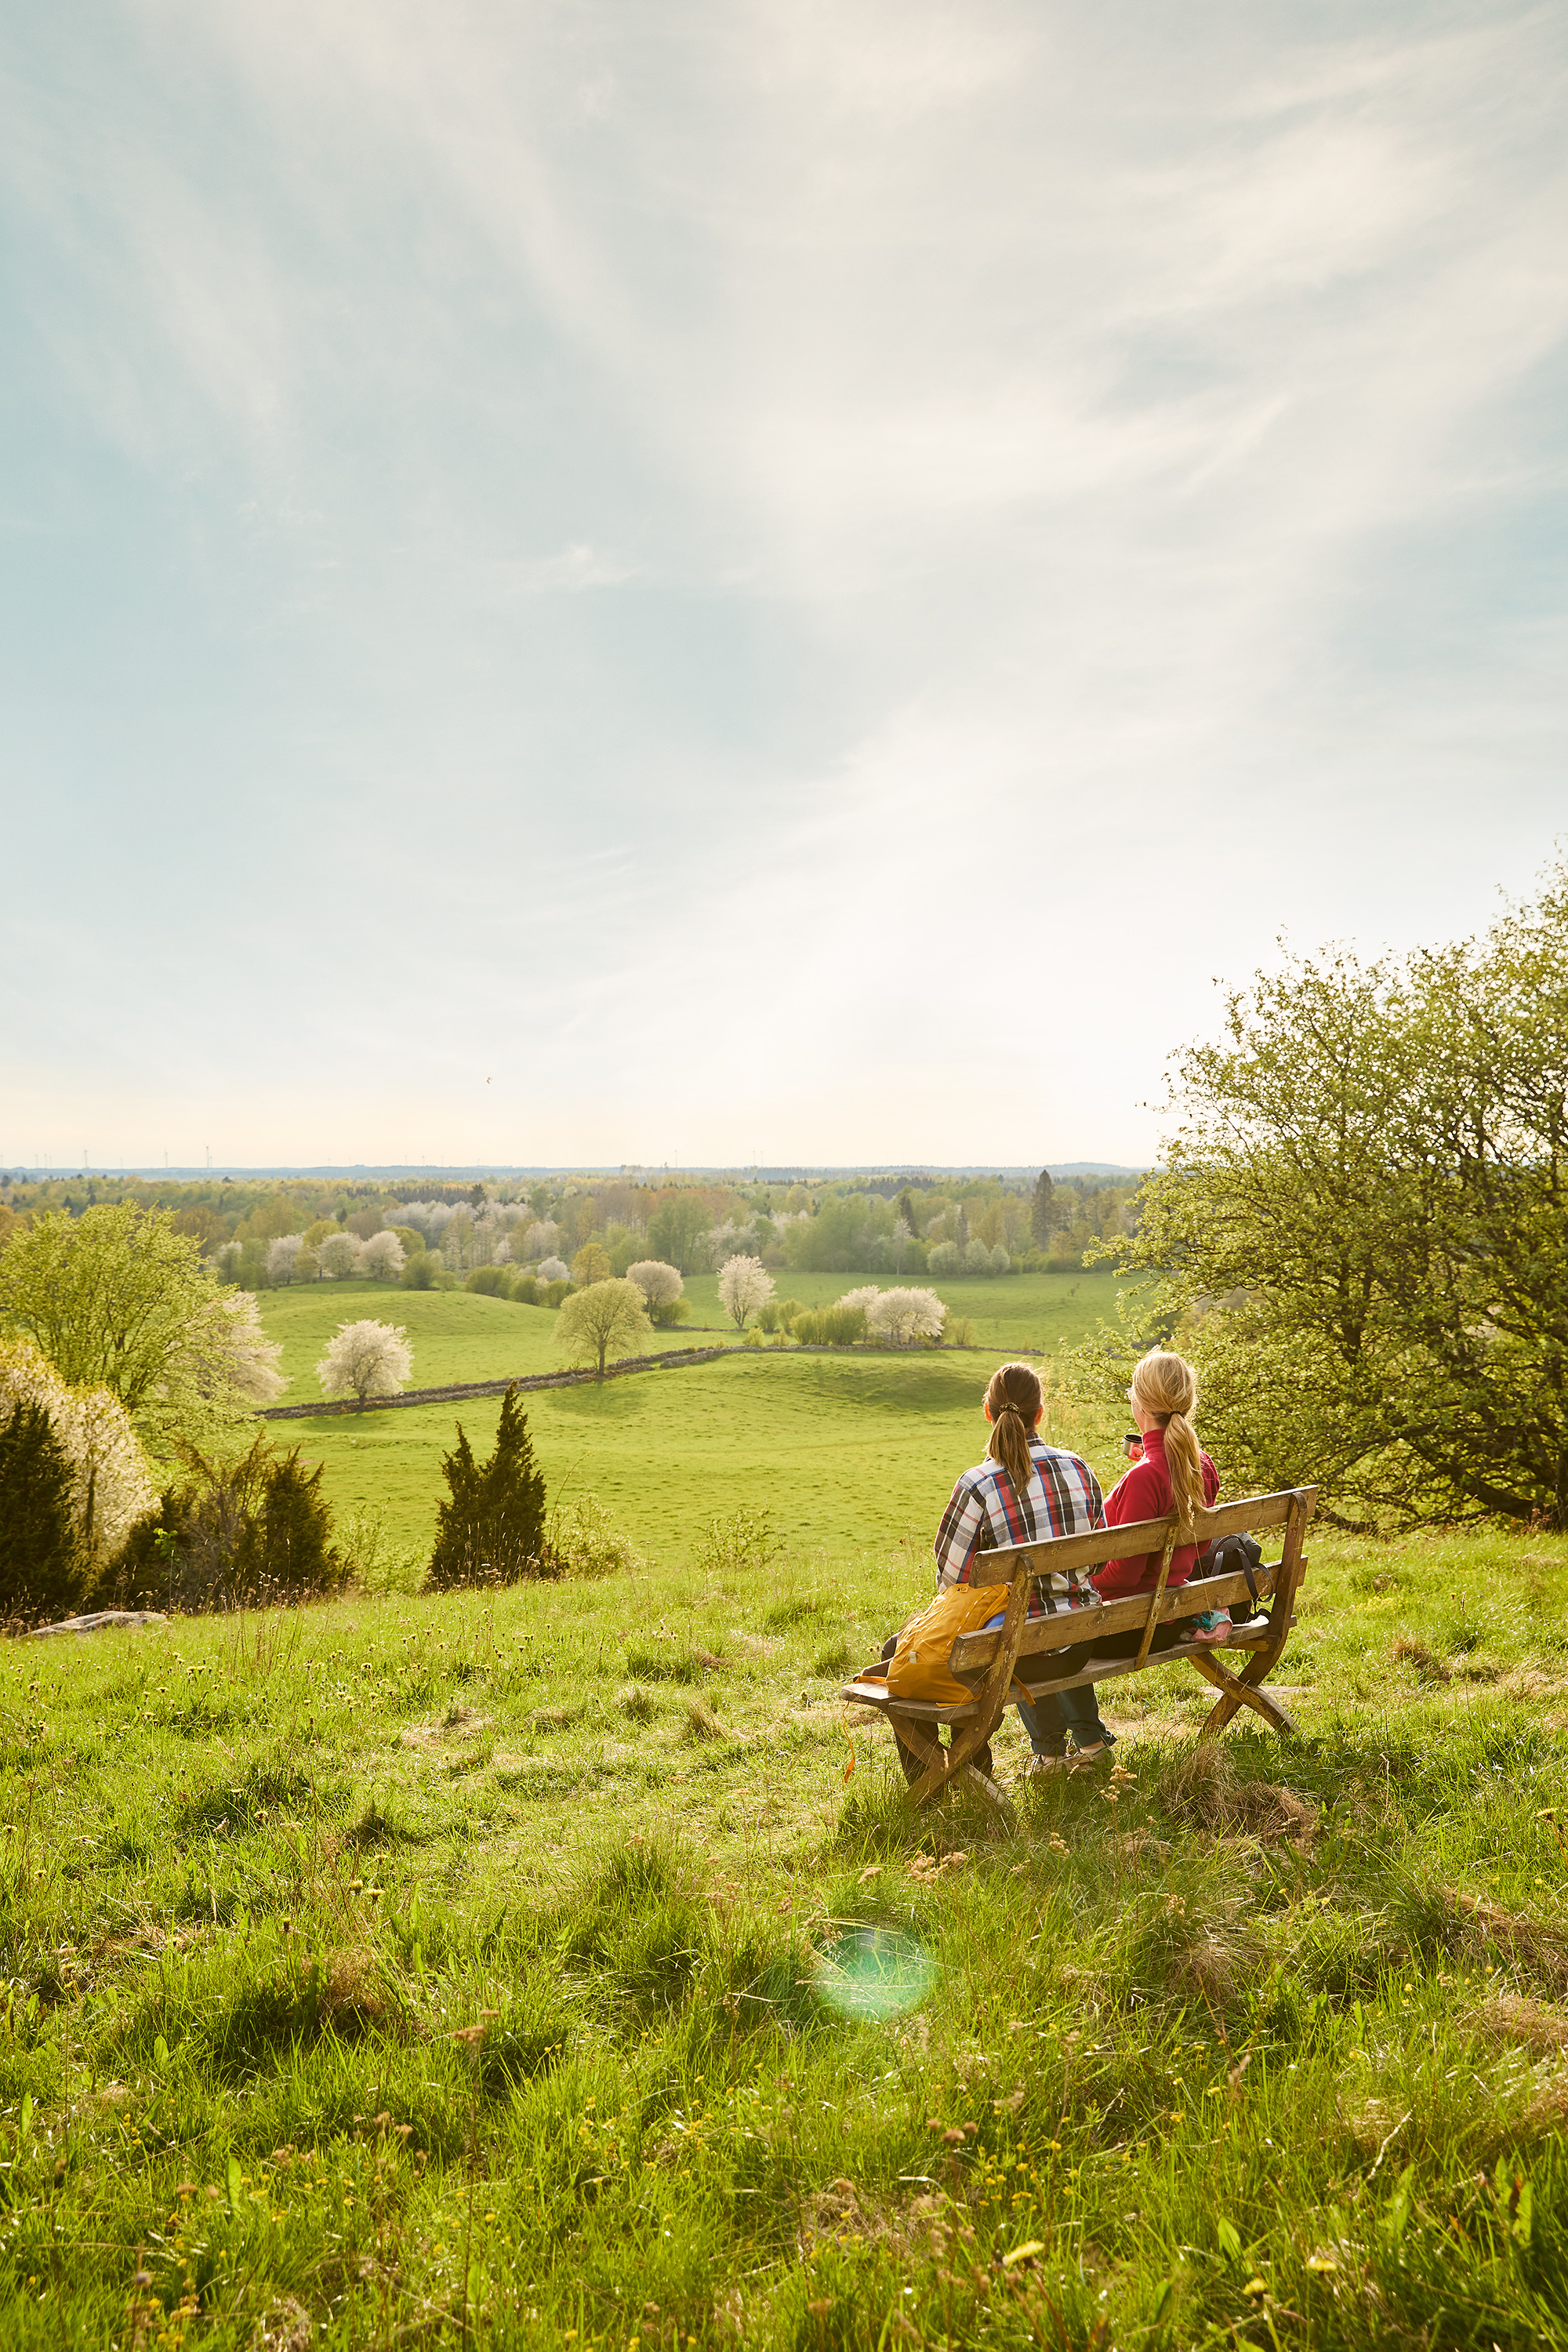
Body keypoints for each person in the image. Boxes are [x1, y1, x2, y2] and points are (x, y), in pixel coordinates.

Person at [929, 1360, 1116, 1779]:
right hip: (1081, 1639)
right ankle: (1080, 1746)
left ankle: (1048, 1756)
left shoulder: (977, 1484)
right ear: (1041, 1412)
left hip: (1019, 1652)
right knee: (1044, 1627)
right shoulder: (1078, 1468)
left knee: (1018, 1630)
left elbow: (950, 1581)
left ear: (988, 1413)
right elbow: (1100, 1559)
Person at [1089, 1348, 1226, 1656]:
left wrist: (1082, 1585)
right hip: (1171, 1618)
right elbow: (1200, 1547)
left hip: (1127, 1628)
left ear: (1141, 1405)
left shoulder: (1145, 1477)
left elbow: (1125, 1574)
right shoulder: (1200, 1464)